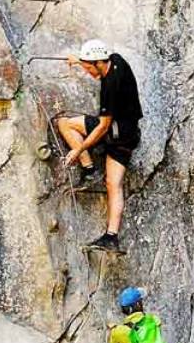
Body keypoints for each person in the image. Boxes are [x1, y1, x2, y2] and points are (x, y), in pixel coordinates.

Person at [56, 39, 143, 253]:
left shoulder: (110, 86)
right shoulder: (116, 60)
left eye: (88, 68)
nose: (87, 72)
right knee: (114, 184)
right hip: (129, 135)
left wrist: (78, 150)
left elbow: (102, 126)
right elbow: (97, 59)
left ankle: (88, 168)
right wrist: (79, 60)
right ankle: (111, 237)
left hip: (112, 132)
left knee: (64, 124)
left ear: (98, 63)